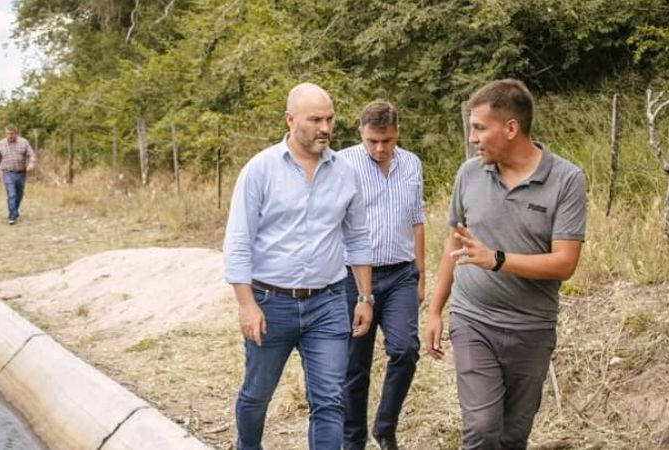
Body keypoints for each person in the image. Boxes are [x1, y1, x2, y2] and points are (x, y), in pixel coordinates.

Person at [424, 79, 587, 450]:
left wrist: (497, 259)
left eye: (480, 128)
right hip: (473, 320)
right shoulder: (469, 174)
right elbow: (455, 242)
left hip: (532, 329)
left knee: (513, 436)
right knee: (482, 428)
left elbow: (565, 263)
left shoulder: (566, 180)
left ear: (511, 128)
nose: (472, 138)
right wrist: (434, 311)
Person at [223, 82, 375, 450]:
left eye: (330, 119)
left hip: (327, 303)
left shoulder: (345, 172)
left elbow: (357, 238)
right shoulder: (260, 170)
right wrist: (246, 305)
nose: (325, 128)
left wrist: (365, 297)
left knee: (330, 400)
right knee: (257, 395)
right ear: (290, 120)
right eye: (315, 120)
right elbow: (238, 241)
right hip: (270, 302)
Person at [338, 100, 425, 450]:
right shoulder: (342, 164)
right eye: (372, 140)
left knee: (406, 349)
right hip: (354, 277)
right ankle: (353, 440)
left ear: (397, 133)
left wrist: (421, 274)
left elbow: (417, 220)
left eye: (386, 140)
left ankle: (385, 428)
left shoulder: (412, 164)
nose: (379, 148)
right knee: (354, 364)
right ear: (361, 132)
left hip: (401, 273)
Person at [0, 124, 36, 224]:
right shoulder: (1, 144)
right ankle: (12, 216)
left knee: (19, 194)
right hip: (8, 172)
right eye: (8, 134)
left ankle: (15, 210)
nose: (10, 136)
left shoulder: (24, 142)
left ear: (16, 134)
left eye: (12, 134)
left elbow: (31, 155)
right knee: (11, 194)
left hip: (21, 173)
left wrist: (31, 164)